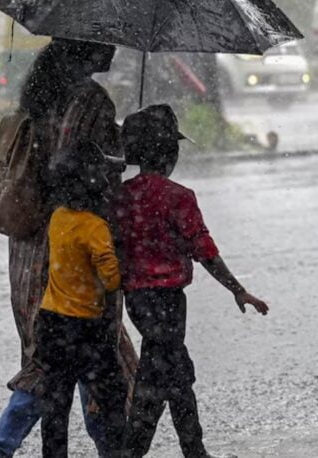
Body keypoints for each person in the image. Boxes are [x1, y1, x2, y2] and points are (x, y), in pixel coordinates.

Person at [0, 38, 137, 458]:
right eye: (105, 42)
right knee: (95, 351)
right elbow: (82, 169)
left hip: (29, 246)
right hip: (73, 244)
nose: (114, 49)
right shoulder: (91, 100)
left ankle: (6, 447)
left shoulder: (38, 96)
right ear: (85, 49)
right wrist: (122, 150)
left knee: (52, 350)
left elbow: (54, 163)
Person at [114, 105, 270, 458]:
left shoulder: (120, 197)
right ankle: (157, 451)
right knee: (164, 373)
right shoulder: (178, 197)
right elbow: (204, 250)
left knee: (168, 369)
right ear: (170, 153)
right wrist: (237, 289)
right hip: (169, 300)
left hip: (137, 301)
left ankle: (187, 451)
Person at [34, 142, 128, 458]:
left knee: (56, 406)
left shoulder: (58, 218)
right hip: (87, 329)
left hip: (50, 324)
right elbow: (112, 280)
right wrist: (119, 253)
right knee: (112, 395)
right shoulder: (95, 228)